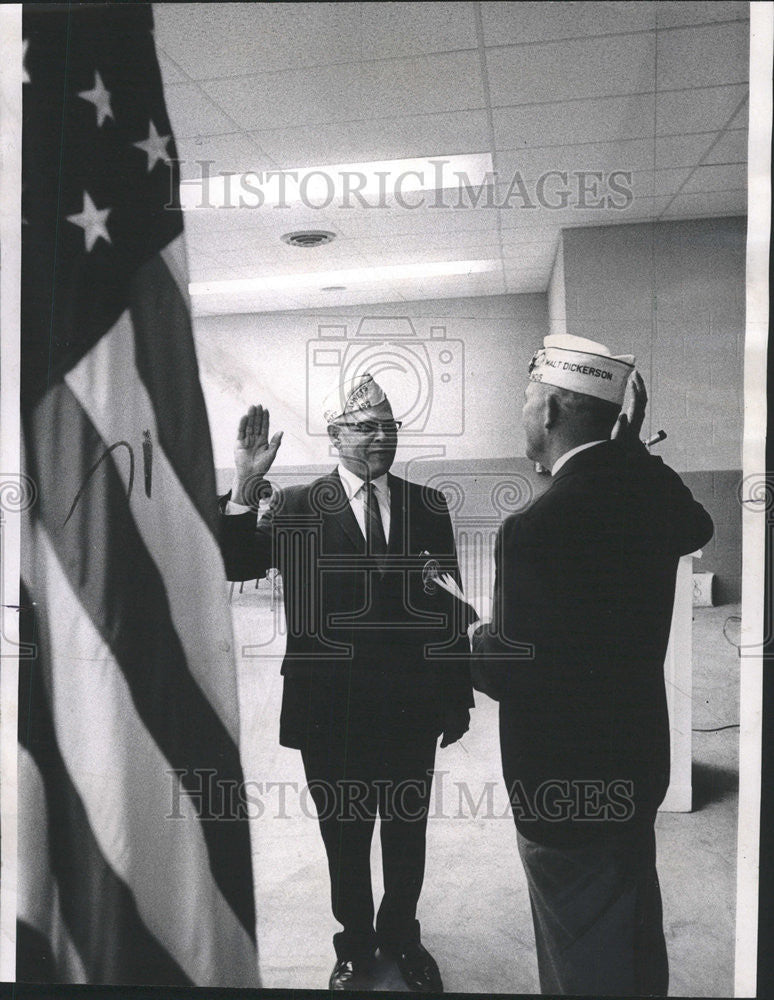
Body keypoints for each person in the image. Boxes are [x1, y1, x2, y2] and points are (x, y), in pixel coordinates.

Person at [470, 334, 714, 996]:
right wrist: (630, 450)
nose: (521, 412)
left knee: (581, 958)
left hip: (563, 793)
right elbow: (697, 526)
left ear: (550, 411)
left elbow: (518, 671)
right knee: (633, 943)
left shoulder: (534, 526)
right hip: (633, 771)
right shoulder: (648, 498)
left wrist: (472, 639)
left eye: (526, 398)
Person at [219, 373, 473, 993]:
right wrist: (247, 483)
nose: (380, 437)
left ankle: (403, 936)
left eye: (389, 426)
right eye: (365, 427)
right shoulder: (299, 506)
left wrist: (457, 695)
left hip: (411, 705)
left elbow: (449, 605)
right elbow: (236, 563)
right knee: (346, 834)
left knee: (406, 831)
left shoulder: (426, 505)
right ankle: (356, 943)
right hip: (329, 705)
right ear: (335, 436)